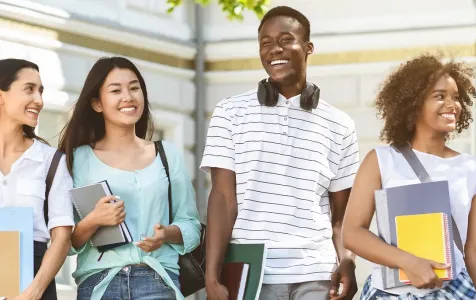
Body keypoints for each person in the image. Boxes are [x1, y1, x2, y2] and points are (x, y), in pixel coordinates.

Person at [200, 5, 359, 300]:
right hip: (252, 274)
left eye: (286, 40)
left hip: (318, 273)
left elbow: (342, 217)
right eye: (266, 43)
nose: (275, 49)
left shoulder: (340, 124)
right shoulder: (229, 112)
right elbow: (223, 198)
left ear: (308, 47)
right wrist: (212, 273)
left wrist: (347, 262)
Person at [341, 53, 476, 300]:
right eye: (439, 96)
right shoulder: (381, 160)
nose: (451, 105)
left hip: (451, 293)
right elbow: (352, 232)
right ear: (414, 103)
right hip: (388, 292)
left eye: (456, 97)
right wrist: (408, 262)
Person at [58, 56, 201, 300]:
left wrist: (165, 234)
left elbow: (191, 227)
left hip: (158, 281)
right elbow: (67, 242)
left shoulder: (167, 155)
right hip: (100, 284)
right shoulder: (77, 159)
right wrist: (93, 220)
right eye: (116, 90)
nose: (128, 97)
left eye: (134, 88)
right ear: (97, 103)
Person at [0, 58, 74, 300]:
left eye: (41, 91)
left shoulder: (51, 161)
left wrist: (33, 292)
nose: (39, 100)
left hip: (33, 281)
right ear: (2, 95)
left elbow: (62, 236)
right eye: (29, 89)